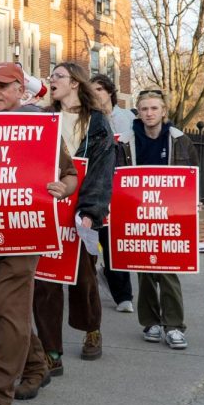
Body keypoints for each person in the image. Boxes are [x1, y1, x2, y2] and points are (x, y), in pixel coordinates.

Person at [0, 62, 79, 405]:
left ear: (20, 91)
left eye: (3, 86)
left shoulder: (39, 127)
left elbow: (71, 173)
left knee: (9, 311)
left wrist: (64, 187)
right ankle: (35, 363)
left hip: (25, 233)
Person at [32, 63, 115, 374]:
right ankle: (51, 351)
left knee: (83, 278)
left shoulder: (97, 124)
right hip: (46, 210)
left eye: (59, 76)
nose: (52, 80)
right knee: (45, 281)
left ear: (76, 84)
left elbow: (102, 171)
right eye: (52, 76)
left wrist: (92, 211)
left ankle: (91, 328)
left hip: (79, 213)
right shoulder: (42, 118)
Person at [117, 88, 199, 350]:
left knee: (168, 270)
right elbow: (116, 177)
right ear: (138, 112)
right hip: (137, 212)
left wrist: (195, 202)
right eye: (144, 109)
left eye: (154, 108)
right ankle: (151, 322)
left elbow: (193, 175)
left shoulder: (180, 140)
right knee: (143, 270)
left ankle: (174, 326)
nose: (149, 113)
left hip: (171, 214)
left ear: (164, 111)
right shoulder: (125, 141)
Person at [86, 73, 134, 313]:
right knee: (92, 239)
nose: (95, 94)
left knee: (114, 242)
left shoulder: (127, 119)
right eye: (91, 90)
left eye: (99, 89)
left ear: (110, 92)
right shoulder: (87, 119)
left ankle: (123, 295)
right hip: (96, 186)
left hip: (120, 189)